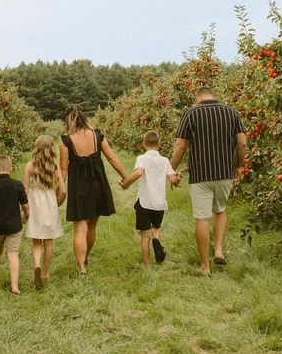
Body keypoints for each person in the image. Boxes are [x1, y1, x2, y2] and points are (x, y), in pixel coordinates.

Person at [170, 86, 246, 275]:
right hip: (224, 172)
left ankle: (205, 266)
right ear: (213, 95)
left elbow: (180, 146)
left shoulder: (191, 113)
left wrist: (170, 168)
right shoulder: (232, 112)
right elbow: (242, 142)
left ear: (198, 98)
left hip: (201, 174)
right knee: (220, 210)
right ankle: (218, 250)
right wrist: (238, 165)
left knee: (202, 218)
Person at [60, 104, 127, 275]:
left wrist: (59, 190)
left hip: (78, 185)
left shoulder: (66, 141)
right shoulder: (97, 136)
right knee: (91, 227)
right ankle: (86, 257)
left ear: (67, 120)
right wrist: (125, 176)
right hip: (98, 183)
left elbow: (64, 169)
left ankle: (82, 268)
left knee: (79, 228)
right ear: (85, 117)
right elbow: (112, 157)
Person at [120, 131, 181, 267]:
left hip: (145, 202)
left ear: (143, 144)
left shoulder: (142, 158)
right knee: (156, 228)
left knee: (145, 235)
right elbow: (173, 179)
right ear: (159, 144)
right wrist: (178, 179)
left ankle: (147, 266)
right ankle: (157, 240)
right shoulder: (165, 160)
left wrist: (126, 183)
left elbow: (139, 172)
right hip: (159, 203)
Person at [23, 135, 66, 290]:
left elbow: (24, 190)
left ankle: (36, 265)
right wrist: (58, 202)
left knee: (36, 240)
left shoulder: (30, 166)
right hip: (49, 205)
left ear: (36, 148)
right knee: (48, 242)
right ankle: (44, 274)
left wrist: (24, 210)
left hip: (34, 205)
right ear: (52, 150)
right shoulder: (54, 167)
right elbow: (63, 190)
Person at [0, 155, 29, 294]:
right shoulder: (17, 184)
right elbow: (25, 204)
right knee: (13, 254)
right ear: (10, 168)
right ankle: (14, 286)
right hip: (14, 226)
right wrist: (26, 215)